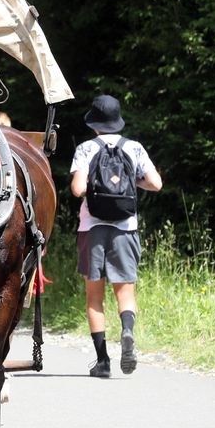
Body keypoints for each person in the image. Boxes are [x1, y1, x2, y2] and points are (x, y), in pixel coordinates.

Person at [68, 94, 163, 378]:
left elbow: (77, 189)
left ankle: (103, 362)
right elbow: (156, 184)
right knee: (125, 291)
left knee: (94, 297)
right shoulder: (133, 147)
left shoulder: (86, 148)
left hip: (92, 229)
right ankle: (128, 332)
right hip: (126, 227)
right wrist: (130, 182)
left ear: (94, 123)